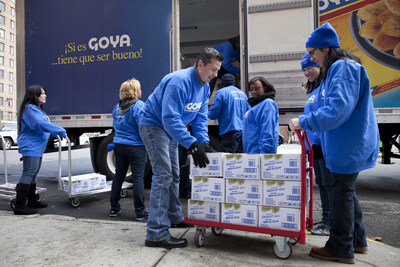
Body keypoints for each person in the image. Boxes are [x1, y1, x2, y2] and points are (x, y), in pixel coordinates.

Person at [289, 22, 380, 264]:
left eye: (313, 52)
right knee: (346, 193)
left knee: (341, 194)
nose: (312, 58)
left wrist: (304, 121)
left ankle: (340, 247)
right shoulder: (342, 68)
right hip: (346, 144)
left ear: (326, 49)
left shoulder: (342, 67)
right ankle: (357, 241)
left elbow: (337, 110)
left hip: (348, 144)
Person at [139, 47, 224, 249]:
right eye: (212, 69)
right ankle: (156, 233)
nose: (215, 75)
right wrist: (191, 143)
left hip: (170, 129)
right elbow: (169, 118)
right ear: (200, 64)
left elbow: (200, 116)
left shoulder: (204, 86)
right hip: (154, 125)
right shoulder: (179, 82)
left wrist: (202, 142)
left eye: (217, 71)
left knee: (176, 174)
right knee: (163, 175)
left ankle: (174, 217)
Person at [15, 85, 67, 215]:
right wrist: (58, 130)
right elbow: (40, 124)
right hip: (31, 146)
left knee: (32, 173)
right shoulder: (30, 109)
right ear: (34, 95)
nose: (45, 95)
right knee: (29, 173)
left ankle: (32, 201)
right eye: (42, 93)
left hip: (36, 147)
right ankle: (20, 205)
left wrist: (55, 133)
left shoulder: (35, 109)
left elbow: (41, 125)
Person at [300, 52, 332, 236]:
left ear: (319, 66)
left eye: (309, 68)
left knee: (328, 185)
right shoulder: (314, 89)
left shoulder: (325, 87)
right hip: (314, 147)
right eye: (304, 69)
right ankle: (327, 219)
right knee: (322, 183)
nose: (306, 72)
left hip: (323, 145)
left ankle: (330, 222)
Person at [109, 78, 148, 221]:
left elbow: (115, 126)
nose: (140, 91)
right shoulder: (139, 106)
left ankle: (114, 207)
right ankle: (140, 211)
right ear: (135, 91)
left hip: (119, 146)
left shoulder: (116, 107)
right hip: (136, 147)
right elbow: (143, 127)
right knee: (138, 178)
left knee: (118, 176)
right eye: (139, 89)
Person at [208, 73, 249, 152]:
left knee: (228, 159)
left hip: (230, 131)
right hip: (243, 132)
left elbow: (213, 114)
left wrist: (204, 113)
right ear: (233, 82)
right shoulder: (242, 94)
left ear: (222, 83)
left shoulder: (222, 92)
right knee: (240, 159)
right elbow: (249, 112)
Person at [242, 77, 279, 154]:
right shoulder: (254, 105)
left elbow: (267, 130)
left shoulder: (267, 104)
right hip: (251, 153)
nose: (253, 92)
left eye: (257, 89)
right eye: (251, 89)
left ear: (265, 88)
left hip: (260, 153)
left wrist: (263, 154)